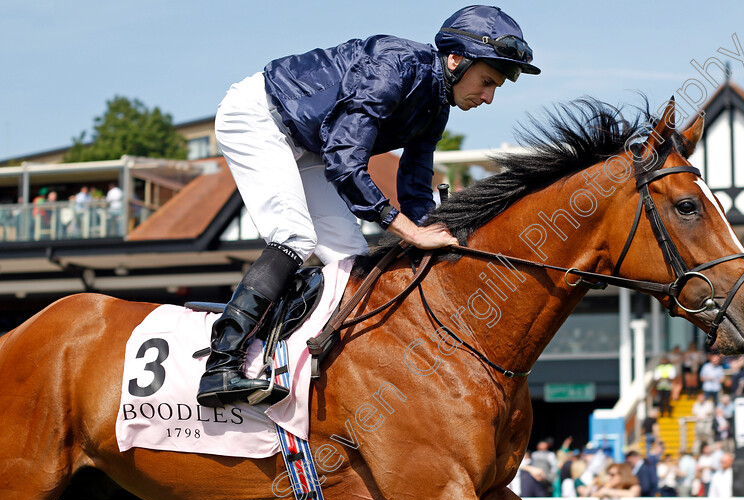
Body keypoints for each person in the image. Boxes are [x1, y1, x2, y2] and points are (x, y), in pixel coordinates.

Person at [195, 5, 540, 407]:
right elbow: (345, 160)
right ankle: (222, 364)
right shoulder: (393, 66)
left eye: (496, 87)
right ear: (456, 58)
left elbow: (413, 186)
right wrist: (406, 230)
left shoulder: (436, 105)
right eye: (486, 82)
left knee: (351, 261)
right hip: (260, 116)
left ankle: (314, 367)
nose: (489, 97)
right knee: (293, 234)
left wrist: (437, 232)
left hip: (308, 143)